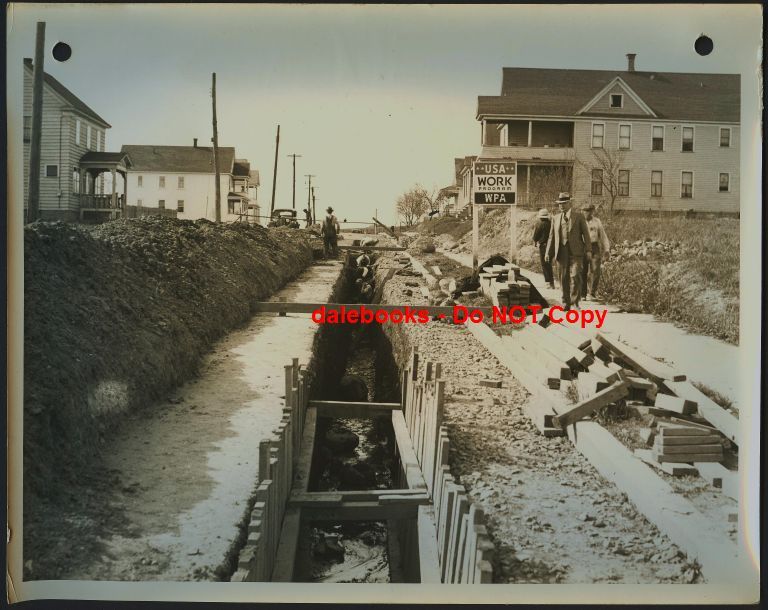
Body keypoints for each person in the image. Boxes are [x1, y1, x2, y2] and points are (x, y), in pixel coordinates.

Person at [545, 192, 591, 310]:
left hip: (577, 251)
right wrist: (547, 252)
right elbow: (551, 236)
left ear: (570, 203)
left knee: (576, 275)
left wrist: (589, 250)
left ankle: (575, 302)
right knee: (563, 277)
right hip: (561, 251)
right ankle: (566, 302)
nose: (562, 206)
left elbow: (586, 234)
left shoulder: (579, 216)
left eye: (564, 203)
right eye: (560, 204)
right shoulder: (555, 218)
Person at [581, 205, 611, 300]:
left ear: (592, 211)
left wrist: (607, 249)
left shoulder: (597, 221)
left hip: (594, 247)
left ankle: (592, 293)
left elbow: (603, 235)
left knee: (596, 270)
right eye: (584, 211)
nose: (586, 213)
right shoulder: (580, 221)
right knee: (583, 270)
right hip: (583, 247)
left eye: (588, 211)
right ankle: (582, 294)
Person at [532, 208, 555, 289]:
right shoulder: (551, 223)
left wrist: (535, 241)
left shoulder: (539, 224)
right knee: (549, 264)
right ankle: (552, 282)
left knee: (544, 264)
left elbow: (535, 236)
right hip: (552, 246)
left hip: (543, 246)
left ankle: (548, 282)